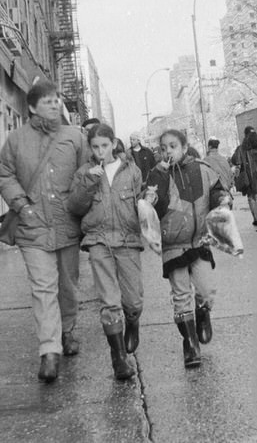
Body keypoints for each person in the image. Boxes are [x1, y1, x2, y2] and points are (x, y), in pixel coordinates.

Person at [0, 81, 92, 382]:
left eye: (56, 100)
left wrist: (80, 199)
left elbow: (87, 172)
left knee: (68, 286)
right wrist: (21, 205)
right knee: (42, 287)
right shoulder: (15, 139)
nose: (54, 104)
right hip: (31, 226)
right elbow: (4, 173)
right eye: (48, 101)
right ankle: (49, 351)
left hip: (67, 224)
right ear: (33, 106)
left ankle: (68, 329)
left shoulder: (75, 136)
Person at [145, 128, 228, 370]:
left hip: (199, 240)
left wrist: (222, 199)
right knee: (181, 295)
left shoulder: (201, 169)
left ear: (184, 147)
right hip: (173, 243)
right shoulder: (157, 175)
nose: (168, 151)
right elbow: (152, 205)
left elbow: (216, 191)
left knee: (207, 289)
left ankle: (203, 313)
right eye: (163, 148)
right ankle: (190, 344)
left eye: (172, 146)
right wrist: (150, 195)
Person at [67, 124, 144, 381]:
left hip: (128, 239)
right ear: (90, 148)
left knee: (133, 301)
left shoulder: (131, 170)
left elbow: (140, 202)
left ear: (114, 144)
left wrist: (150, 202)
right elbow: (76, 207)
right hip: (99, 240)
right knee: (109, 302)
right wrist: (90, 179)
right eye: (95, 146)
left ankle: (132, 320)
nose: (101, 151)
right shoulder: (83, 172)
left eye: (105, 145)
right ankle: (119, 359)